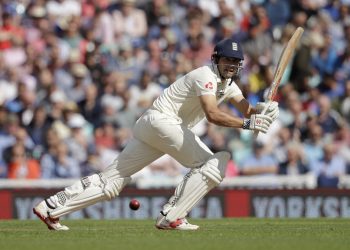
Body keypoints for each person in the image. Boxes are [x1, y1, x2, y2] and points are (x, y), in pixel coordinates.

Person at [33, 37, 279, 231]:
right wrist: (249, 124)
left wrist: (264, 110)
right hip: (163, 122)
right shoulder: (205, 75)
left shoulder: (230, 85)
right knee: (214, 163)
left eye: (236, 62)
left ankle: (51, 207)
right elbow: (213, 115)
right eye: (227, 60)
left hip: (154, 126)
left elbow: (247, 109)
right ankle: (172, 216)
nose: (232, 66)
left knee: (112, 180)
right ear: (216, 59)